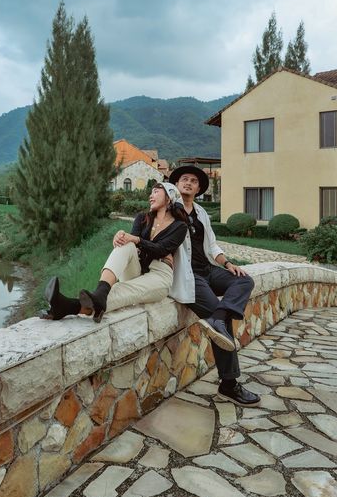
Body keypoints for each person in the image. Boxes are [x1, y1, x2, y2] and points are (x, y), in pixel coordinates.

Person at [168, 165, 260, 407]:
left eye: (194, 181)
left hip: (208, 271)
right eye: (184, 179)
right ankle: (229, 384)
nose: (188, 183)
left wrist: (228, 263)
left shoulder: (200, 212)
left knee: (244, 280)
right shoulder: (169, 211)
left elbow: (211, 247)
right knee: (223, 325)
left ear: (198, 189)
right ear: (176, 184)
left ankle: (218, 315)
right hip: (189, 276)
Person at [40, 182, 188, 323]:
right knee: (126, 243)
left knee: (121, 289)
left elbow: (161, 250)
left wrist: (136, 240)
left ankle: (68, 306)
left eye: (156, 191)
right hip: (138, 268)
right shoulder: (142, 218)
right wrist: (121, 236)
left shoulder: (180, 226)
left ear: (169, 197)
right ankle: (100, 292)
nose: (150, 196)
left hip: (159, 275)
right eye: (150, 192)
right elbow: (133, 244)